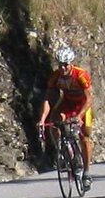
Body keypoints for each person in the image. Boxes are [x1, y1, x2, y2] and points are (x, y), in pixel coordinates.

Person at [38, 46, 94, 190]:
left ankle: (86, 172)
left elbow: (89, 99)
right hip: (68, 103)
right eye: (60, 65)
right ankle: (63, 151)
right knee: (54, 122)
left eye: (65, 65)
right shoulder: (55, 77)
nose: (62, 68)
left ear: (71, 63)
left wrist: (80, 116)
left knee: (85, 136)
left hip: (82, 106)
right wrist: (43, 119)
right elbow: (48, 100)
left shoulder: (81, 75)